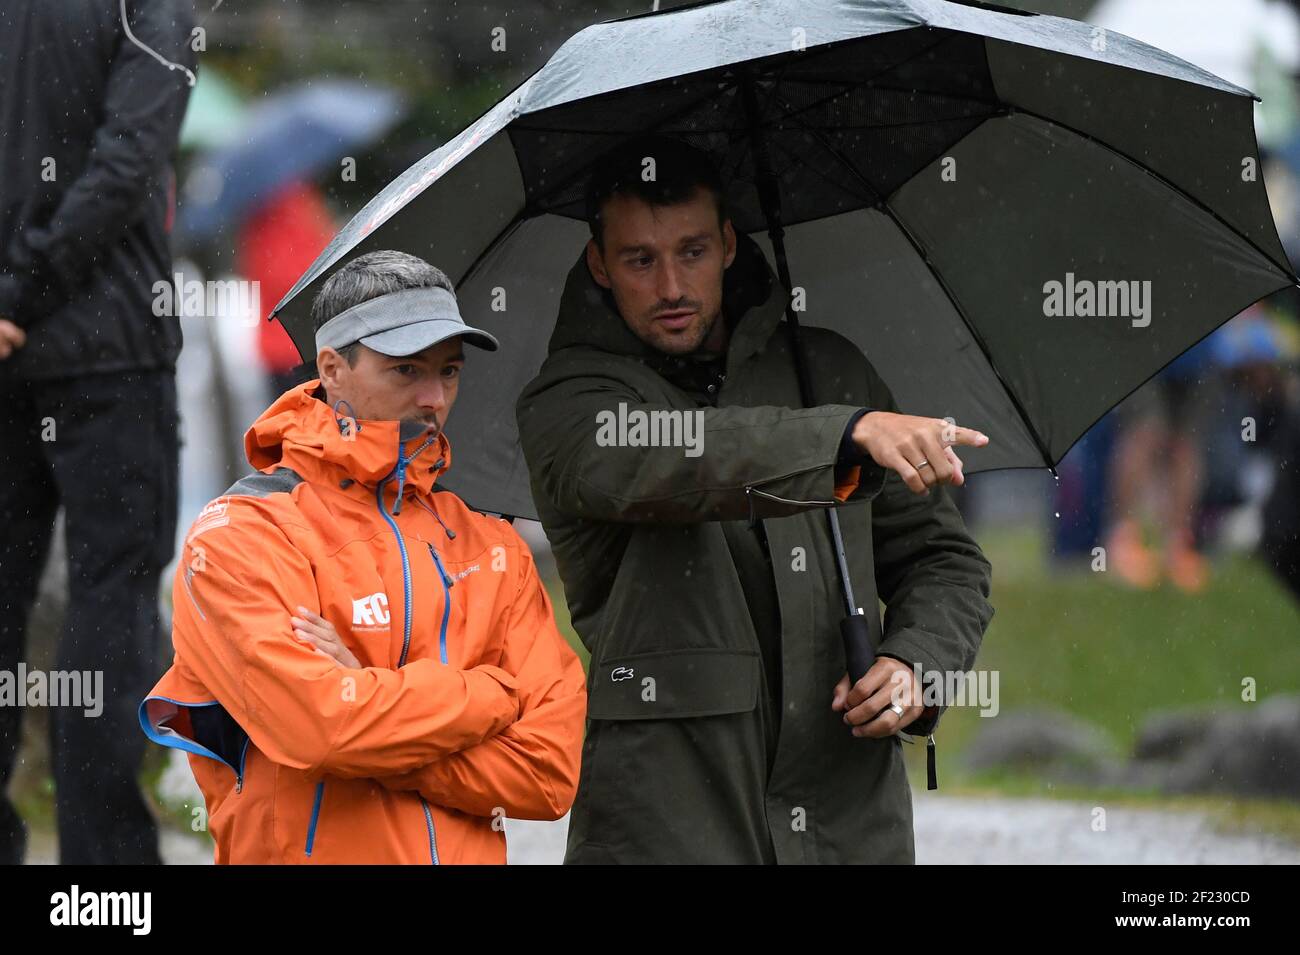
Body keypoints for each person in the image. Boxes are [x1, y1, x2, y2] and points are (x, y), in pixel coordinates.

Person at [516, 135, 995, 864]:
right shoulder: (571, 403)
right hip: (665, 825)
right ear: (600, 265)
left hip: (848, 823)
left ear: (731, 244)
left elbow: (944, 559)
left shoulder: (829, 369)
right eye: (641, 260)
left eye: (693, 251)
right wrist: (843, 435)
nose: (672, 285)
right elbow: (680, 458)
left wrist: (916, 664)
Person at [140, 251, 587, 864]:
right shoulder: (238, 536)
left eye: (450, 372)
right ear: (332, 369)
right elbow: (321, 730)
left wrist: (371, 704)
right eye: (406, 369)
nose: (434, 397)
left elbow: (548, 774)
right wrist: (488, 695)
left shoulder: (493, 546)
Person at [0, 0, 196, 864]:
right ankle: (104, 870)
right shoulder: (148, 7)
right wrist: (24, 289)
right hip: (108, 349)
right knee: (111, 603)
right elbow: (126, 168)